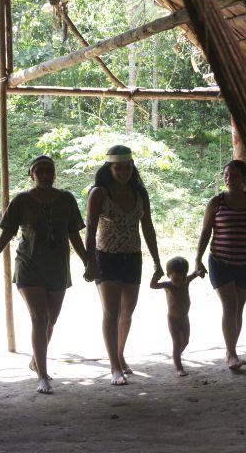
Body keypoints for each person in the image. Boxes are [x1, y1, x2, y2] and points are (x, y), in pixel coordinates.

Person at [0, 155, 96, 394]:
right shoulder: (22, 200)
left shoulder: (65, 199)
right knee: (39, 319)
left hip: (58, 266)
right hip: (29, 265)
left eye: (49, 170)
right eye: (40, 170)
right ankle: (42, 376)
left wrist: (88, 261)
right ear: (31, 175)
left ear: (54, 174)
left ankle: (36, 360)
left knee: (51, 320)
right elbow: (7, 233)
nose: (45, 174)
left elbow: (74, 234)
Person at [85, 144, 164, 386]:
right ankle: (114, 367)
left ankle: (120, 354)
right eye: (118, 168)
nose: (124, 172)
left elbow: (147, 227)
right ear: (109, 168)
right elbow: (89, 229)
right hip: (106, 257)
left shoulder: (140, 192)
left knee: (127, 313)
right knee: (111, 313)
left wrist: (157, 262)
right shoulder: (99, 192)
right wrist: (90, 262)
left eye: (128, 167)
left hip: (133, 257)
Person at [194, 160, 246, 370]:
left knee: (238, 309)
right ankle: (231, 354)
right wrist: (198, 260)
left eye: (234, 175)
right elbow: (205, 232)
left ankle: (231, 350)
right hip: (220, 261)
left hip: (245, 263)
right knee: (229, 306)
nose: (229, 179)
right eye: (227, 175)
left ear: (244, 179)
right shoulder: (216, 202)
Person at [150, 256, 199, 376]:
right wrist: (156, 275)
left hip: (185, 318)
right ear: (169, 275)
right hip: (173, 320)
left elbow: (194, 274)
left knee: (186, 341)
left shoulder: (186, 281)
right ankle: (179, 368)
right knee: (177, 342)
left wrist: (199, 271)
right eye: (176, 278)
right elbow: (153, 285)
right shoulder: (168, 285)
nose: (181, 281)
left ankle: (176, 355)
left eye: (183, 278)